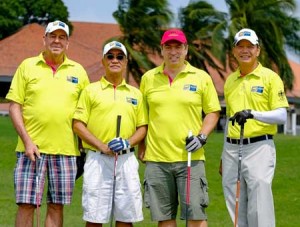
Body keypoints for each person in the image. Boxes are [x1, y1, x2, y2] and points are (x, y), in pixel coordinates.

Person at [6, 20, 90, 227]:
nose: (57, 41)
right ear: (44, 39)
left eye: (62, 37)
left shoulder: (79, 72)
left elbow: (86, 113)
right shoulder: (27, 66)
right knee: (26, 204)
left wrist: (83, 147)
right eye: (52, 36)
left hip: (66, 151)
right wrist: (27, 141)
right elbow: (14, 106)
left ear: (68, 43)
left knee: (56, 205)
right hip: (31, 149)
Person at [139, 28, 221, 227]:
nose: (173, 51)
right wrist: (141, 146)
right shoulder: (148, 78)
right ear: (162, 50)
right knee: (165, 219)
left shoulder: (201, 77)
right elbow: (143, 117)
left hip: (190, 159)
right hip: (157, 160)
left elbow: (212, 112)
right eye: (169, 47)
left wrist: (202, 136)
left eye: (178, 47)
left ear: (186, 50)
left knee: (196, 216)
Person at [72, 41, 147, 226]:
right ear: (103, 61)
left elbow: (142, 128)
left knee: (126, 218)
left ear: (126, 62)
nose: (115, 60)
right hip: (97, 158)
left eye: (119, 57)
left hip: (126, 159)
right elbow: (78, 125)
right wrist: (101, 146)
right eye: (110, 56)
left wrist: (128, 143)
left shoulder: (136, 93)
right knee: (94, 217)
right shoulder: (90, 90)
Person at [220, 28, 289, 226]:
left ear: (257, 50)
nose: (245, 51)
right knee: (235, 203)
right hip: (232, 148)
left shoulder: (270, 77)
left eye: (250, 46)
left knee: (259, 205)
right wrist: (223, 154)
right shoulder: (230, 80)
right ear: (234, 51)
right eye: (240, 46)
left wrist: (252, 114)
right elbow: (228, 119)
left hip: (259, 146)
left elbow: (282, 115)